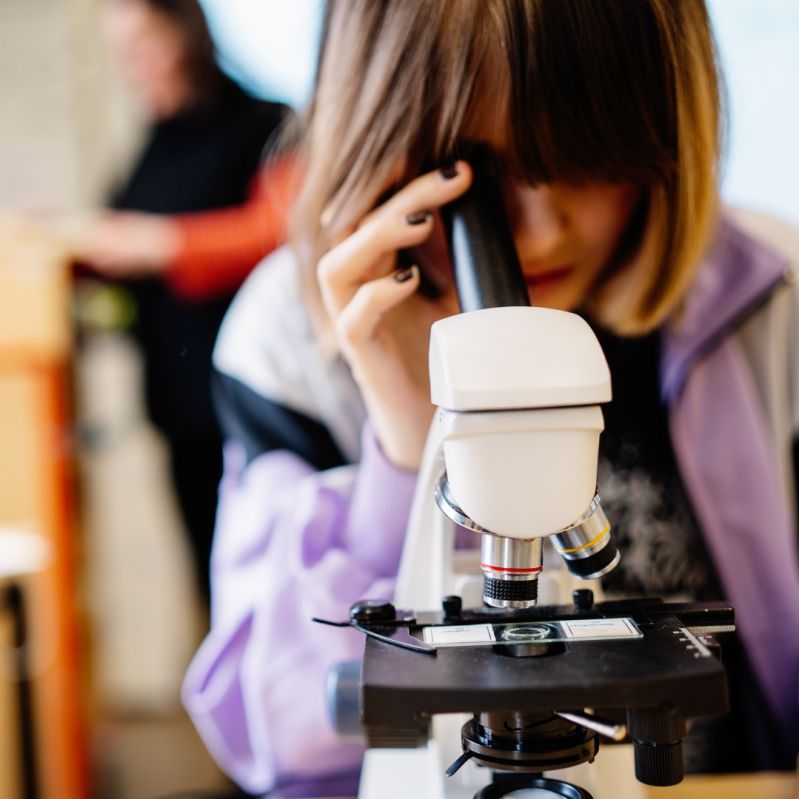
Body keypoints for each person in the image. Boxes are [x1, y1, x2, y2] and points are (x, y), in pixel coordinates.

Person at [182, 0, 799, 794]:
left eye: (583, 156)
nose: (539, 231)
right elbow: (282, 739)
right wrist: (410, 446)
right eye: (471, 172)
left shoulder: (772, 301)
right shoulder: (288, 339)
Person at [75, 0, 290, 600]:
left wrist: (163, 245)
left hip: (250, 399)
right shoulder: (154, 143)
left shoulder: (267, 124)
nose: (133, 68)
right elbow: (113, 237)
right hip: (176, 403)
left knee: (267, 580)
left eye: (144, 47)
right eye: (122, 56)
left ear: (186, 34)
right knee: (207, 576)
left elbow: (281, 230)